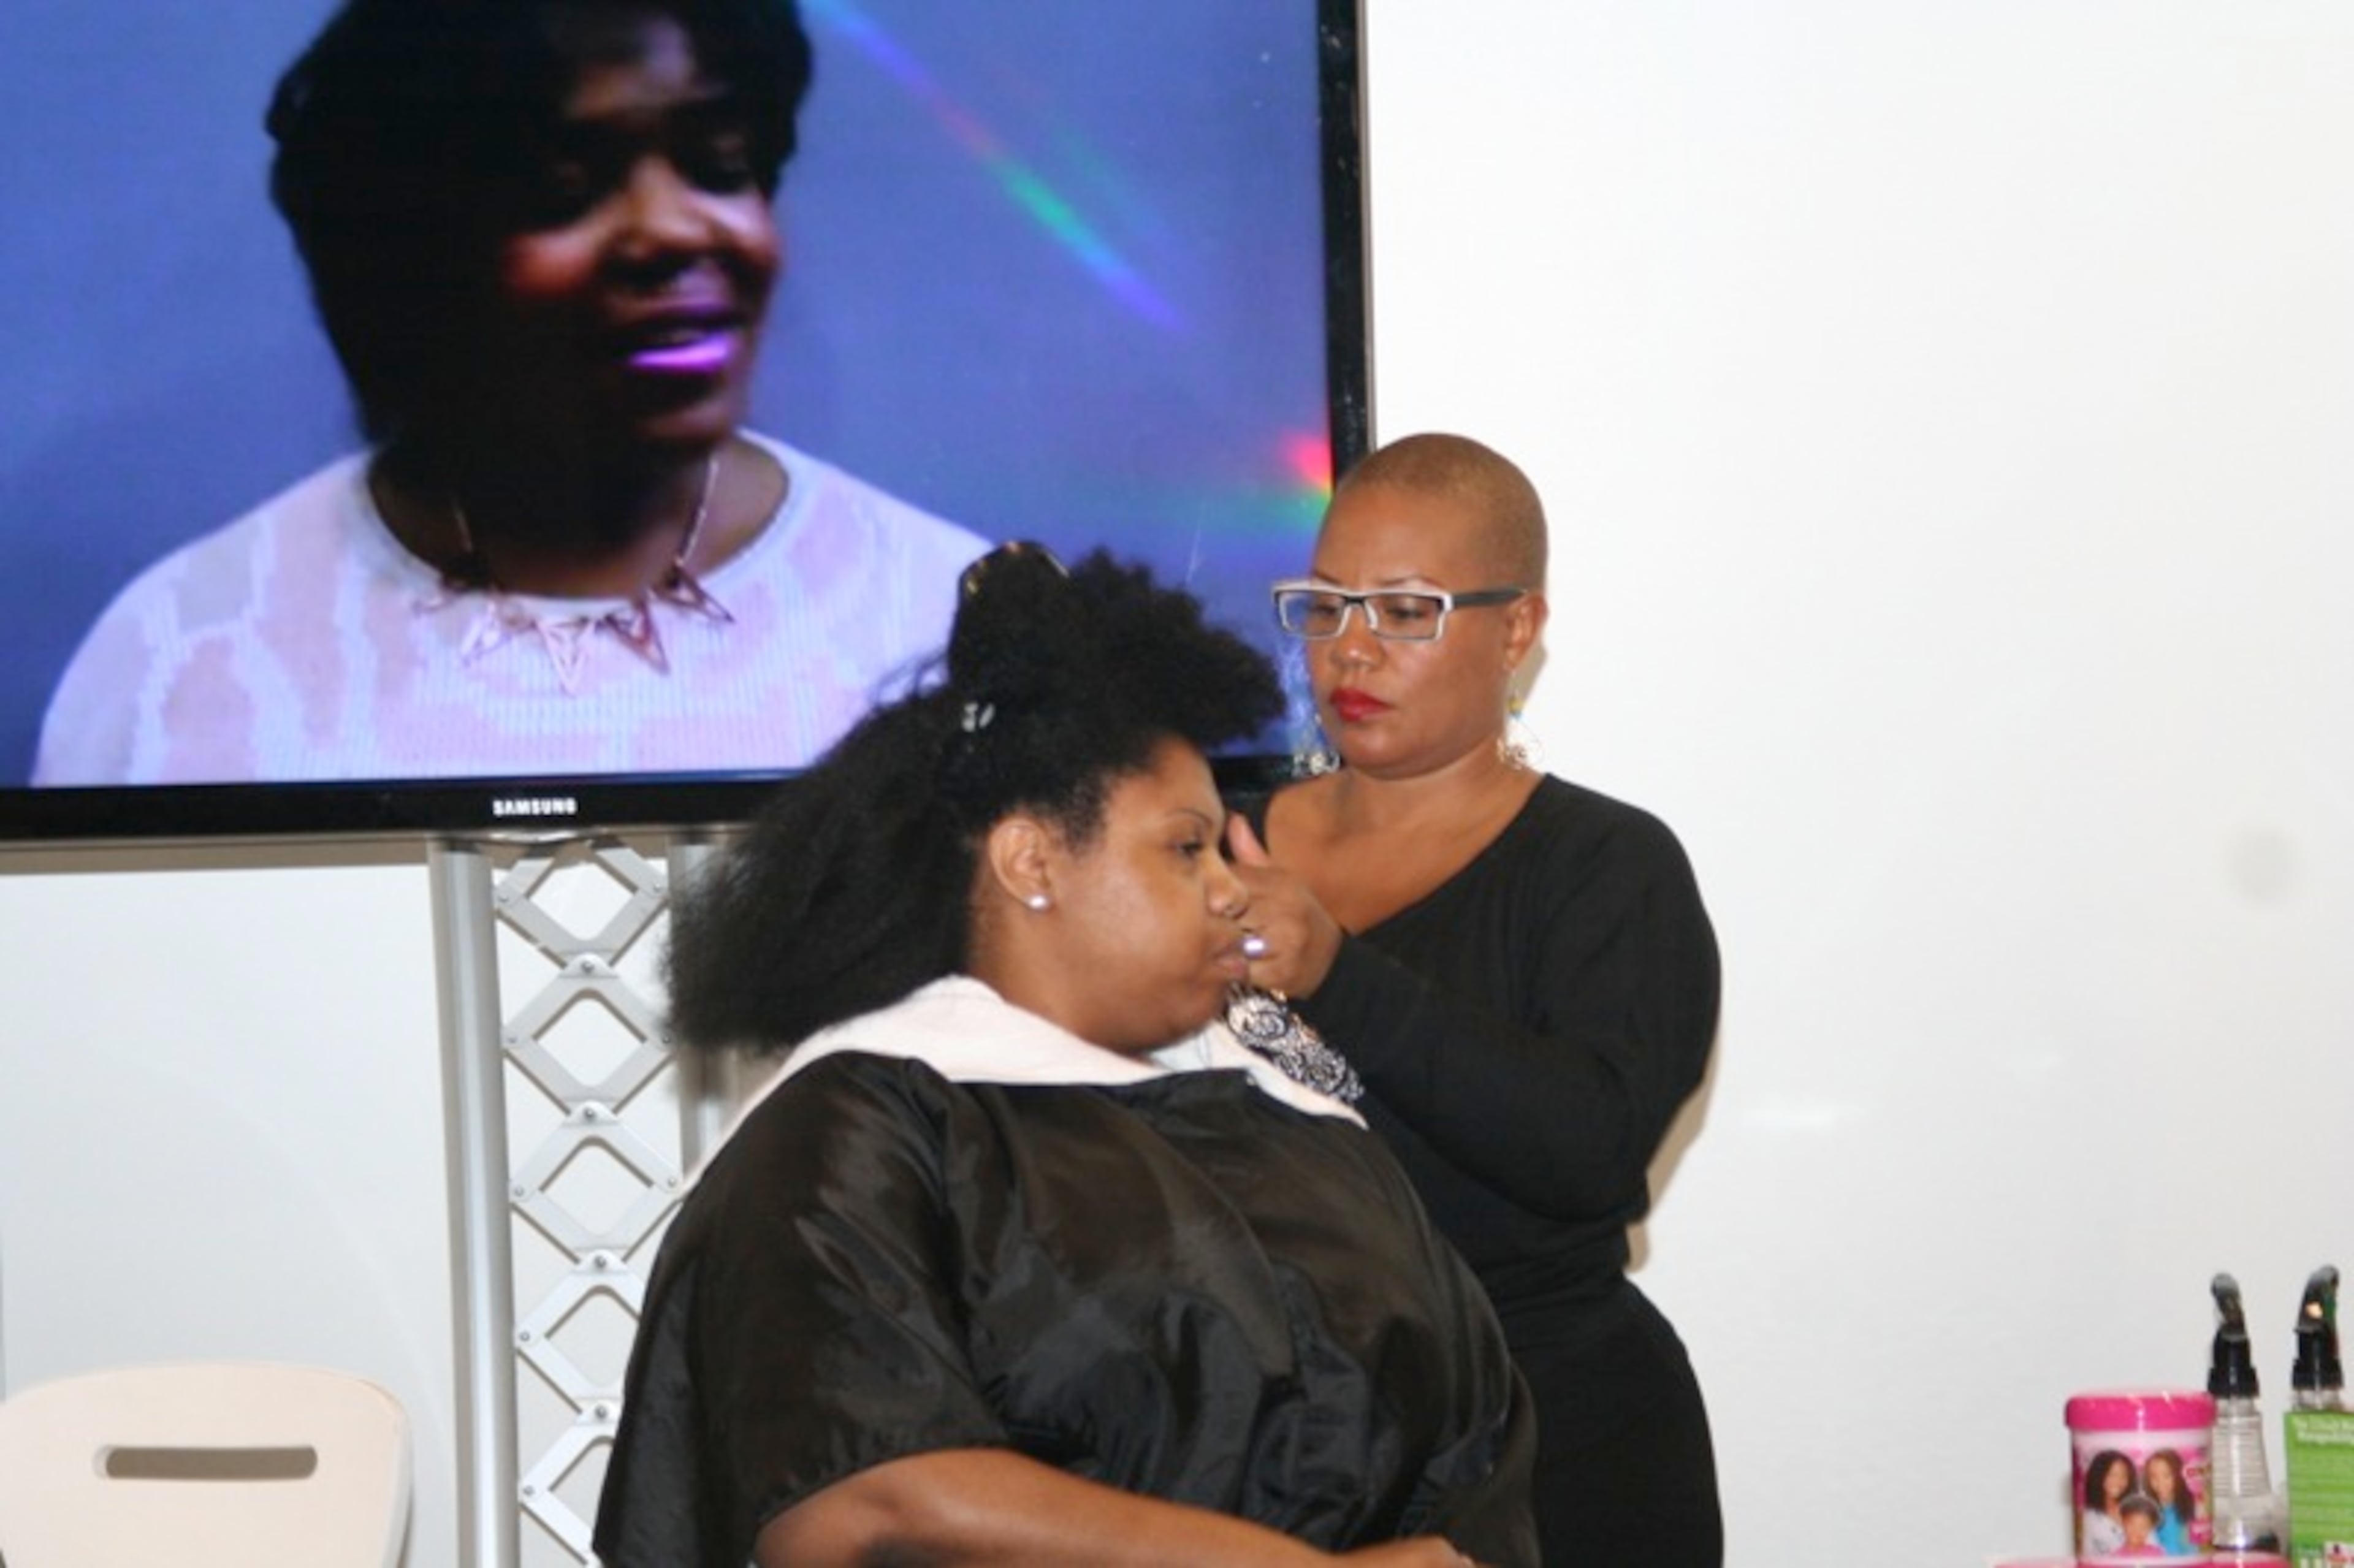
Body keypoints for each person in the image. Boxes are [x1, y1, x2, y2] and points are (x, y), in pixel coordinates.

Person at [593, 543, 1537, 1567]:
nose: (1232, 888)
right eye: (1187, 847)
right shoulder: (863, 1123)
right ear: (1032, 859)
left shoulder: (1303, 1123)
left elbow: (1477, 1461)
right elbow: (863, 1500)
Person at [32, 0, 985, 786]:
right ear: (412, 256)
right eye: (563, 188)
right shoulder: (178, 663)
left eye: (721, 166)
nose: (671, 231)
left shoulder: (952, 629)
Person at [1222, 432, 1723, 1566]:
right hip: (1269, 1451)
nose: (1353, 648)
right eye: (1326, 606)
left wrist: (1337, 972)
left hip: (1549, 1440)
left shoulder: (1606, 865)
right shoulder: (1217, 843)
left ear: (1517, 628)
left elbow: (1589, 1149)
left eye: (1407, 611)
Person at [2081, 1450, 2137, 1556]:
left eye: (2124, 1476)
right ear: (2100, 1476)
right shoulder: (2089, 1517)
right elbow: (2087, 1553)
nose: (2119, 1481)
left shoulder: (2135, 1509)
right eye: (2112, 1475)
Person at [2140, 1448, 2196, 1556]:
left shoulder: (2190, 1506)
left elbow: (2191, 1547)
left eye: (2167, 1476)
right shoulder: (2147, 1510)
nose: (2160, 1483)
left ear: (2178, 1476)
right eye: (2154, 1477)